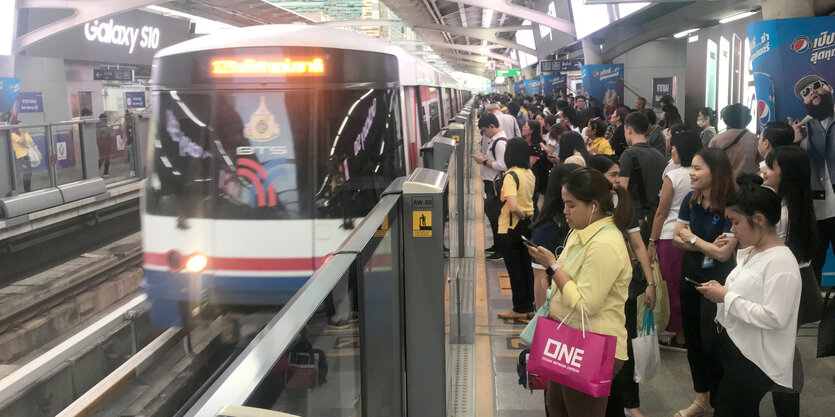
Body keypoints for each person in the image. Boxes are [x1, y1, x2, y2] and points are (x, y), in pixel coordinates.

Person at [527, 168, 633, 417]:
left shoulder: (605, 244)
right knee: (557, 407)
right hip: (568, 336)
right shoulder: (580, 232)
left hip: (592, 343)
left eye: (571, 205)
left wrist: (552, 267)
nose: (564, 211)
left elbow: (586, 305)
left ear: (594, 206)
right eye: (564, 203)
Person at [696, 179, 801, 417]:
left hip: (756, 359)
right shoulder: (754, 250)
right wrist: (723, 292)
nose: (732, 229)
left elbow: (774, 317)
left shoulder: (781, 262)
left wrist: (726, 297)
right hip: (739, 348)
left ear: (760, 220)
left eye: (736, 222)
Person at [586, 155, 657, 417]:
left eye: (618, 174)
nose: (618, 180)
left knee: (623, 344)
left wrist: (650, 283)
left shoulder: (620, 203)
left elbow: (638, 244)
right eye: (613, 175)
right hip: (593, 288)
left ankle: (629, 402)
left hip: (621, 288)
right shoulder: (583, 203)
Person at [672, 148, 738, 417]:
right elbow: (676, 236)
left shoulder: (732, 203)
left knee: (713, 346)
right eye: (692, 167)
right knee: (695, 343)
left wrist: (693, 239)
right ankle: (702, 400)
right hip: (689, 279)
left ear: (716, 171)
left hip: (718, 286)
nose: (692, 172)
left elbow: (723, 253)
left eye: (698, 168)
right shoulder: (691, 199)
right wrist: (704, 244)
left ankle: (720, 403)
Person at [758, 146, 819, 417]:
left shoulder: (780, 214)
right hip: (801, 285)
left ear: (787, 174)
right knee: (782, 351)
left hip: (785, 289)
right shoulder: (797, 206)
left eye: (770, 167)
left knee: (781, 356)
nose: (764, 170)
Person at [647, 131, 703, 351]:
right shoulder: (703, 174)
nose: (671, 150)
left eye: (674, 147)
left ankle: (679, 334)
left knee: (671, 285)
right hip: (695, 237)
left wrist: (652, 241)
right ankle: (689, 331)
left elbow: (661, 212)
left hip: (671, 236)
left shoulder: (675, 176)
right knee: (690, 284)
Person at [789, 74, 835, 283]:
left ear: (829, 88)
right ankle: (815, 313)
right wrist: (795, 143)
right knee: (814, 264)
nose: (812, 92)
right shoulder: (804, 130)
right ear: (805, 102)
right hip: (817, 211)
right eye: (806, 93)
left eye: (817, 86)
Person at [531, 163, 582, 308]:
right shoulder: (546, 230)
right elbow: (541, 278)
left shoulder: (581, 225)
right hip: (558, 309)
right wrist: (543, 320)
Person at [496, 138, 536, 319]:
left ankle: (519, 309)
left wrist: (521, 215)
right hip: (528, 227)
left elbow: (513, 206)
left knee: (515, 270)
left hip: (511, 227)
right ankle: (528, 306)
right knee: (526, 267)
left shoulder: (510, 176)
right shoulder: (529, 173)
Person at [619, 112, 667, 240]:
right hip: (655, 216)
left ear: (629, 130)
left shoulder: (628, 155)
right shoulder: (660, 156)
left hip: (634, 216)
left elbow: (622, 189)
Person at [473, 113, 509, 261]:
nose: (485, 134)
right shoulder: (494, 141)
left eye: (485, 131)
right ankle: (496, 245)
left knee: (496, 217)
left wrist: (483, 162)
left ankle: (500, 249)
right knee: (493, 216)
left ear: (492, 127)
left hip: (495, 185)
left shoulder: (499, 142)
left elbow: (502, 165)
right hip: (491, 184)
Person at [709, 103, 761, 178]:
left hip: (724, 182)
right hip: (749, 183)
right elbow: (758, 159)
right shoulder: (756, 139)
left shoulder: (716, 140)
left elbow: (710, 162)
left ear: (725, 120)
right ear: (748, 120)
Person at [523, 120, 550, 216]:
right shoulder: (524, 142)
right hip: (524, 178)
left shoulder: (535, 146)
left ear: (532, 130)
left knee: (532, 204)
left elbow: (529, 165)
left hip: (531, 179)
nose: (523, 128)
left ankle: (535, 224)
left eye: (525, 127)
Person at [11, 121, 34, 192]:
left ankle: (28, 188)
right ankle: (27, 190)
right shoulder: (13, 135)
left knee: (29, 172)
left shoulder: (26, 134)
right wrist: (22, 133)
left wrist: (26, 144)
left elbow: (31, 143)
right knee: (26, 173)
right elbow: (22, 142)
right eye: (20, 126)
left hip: (28, 155)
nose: (22, 128)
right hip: (21, 156)